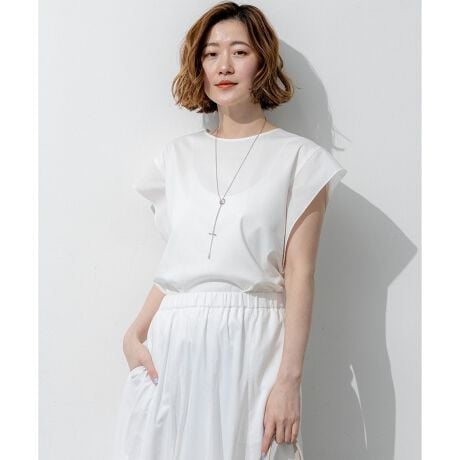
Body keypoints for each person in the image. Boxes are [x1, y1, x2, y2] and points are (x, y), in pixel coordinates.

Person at [111, 2, 347, 459]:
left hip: (253, 341)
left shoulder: (300, 160)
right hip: (173, 344)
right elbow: (178, 266)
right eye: (211, 53)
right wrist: (134, 333)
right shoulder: (175, 158)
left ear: (262, 61)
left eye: (239, 52)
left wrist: (289, 381)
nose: (223, 66)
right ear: (198, 66)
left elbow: (300, 273)